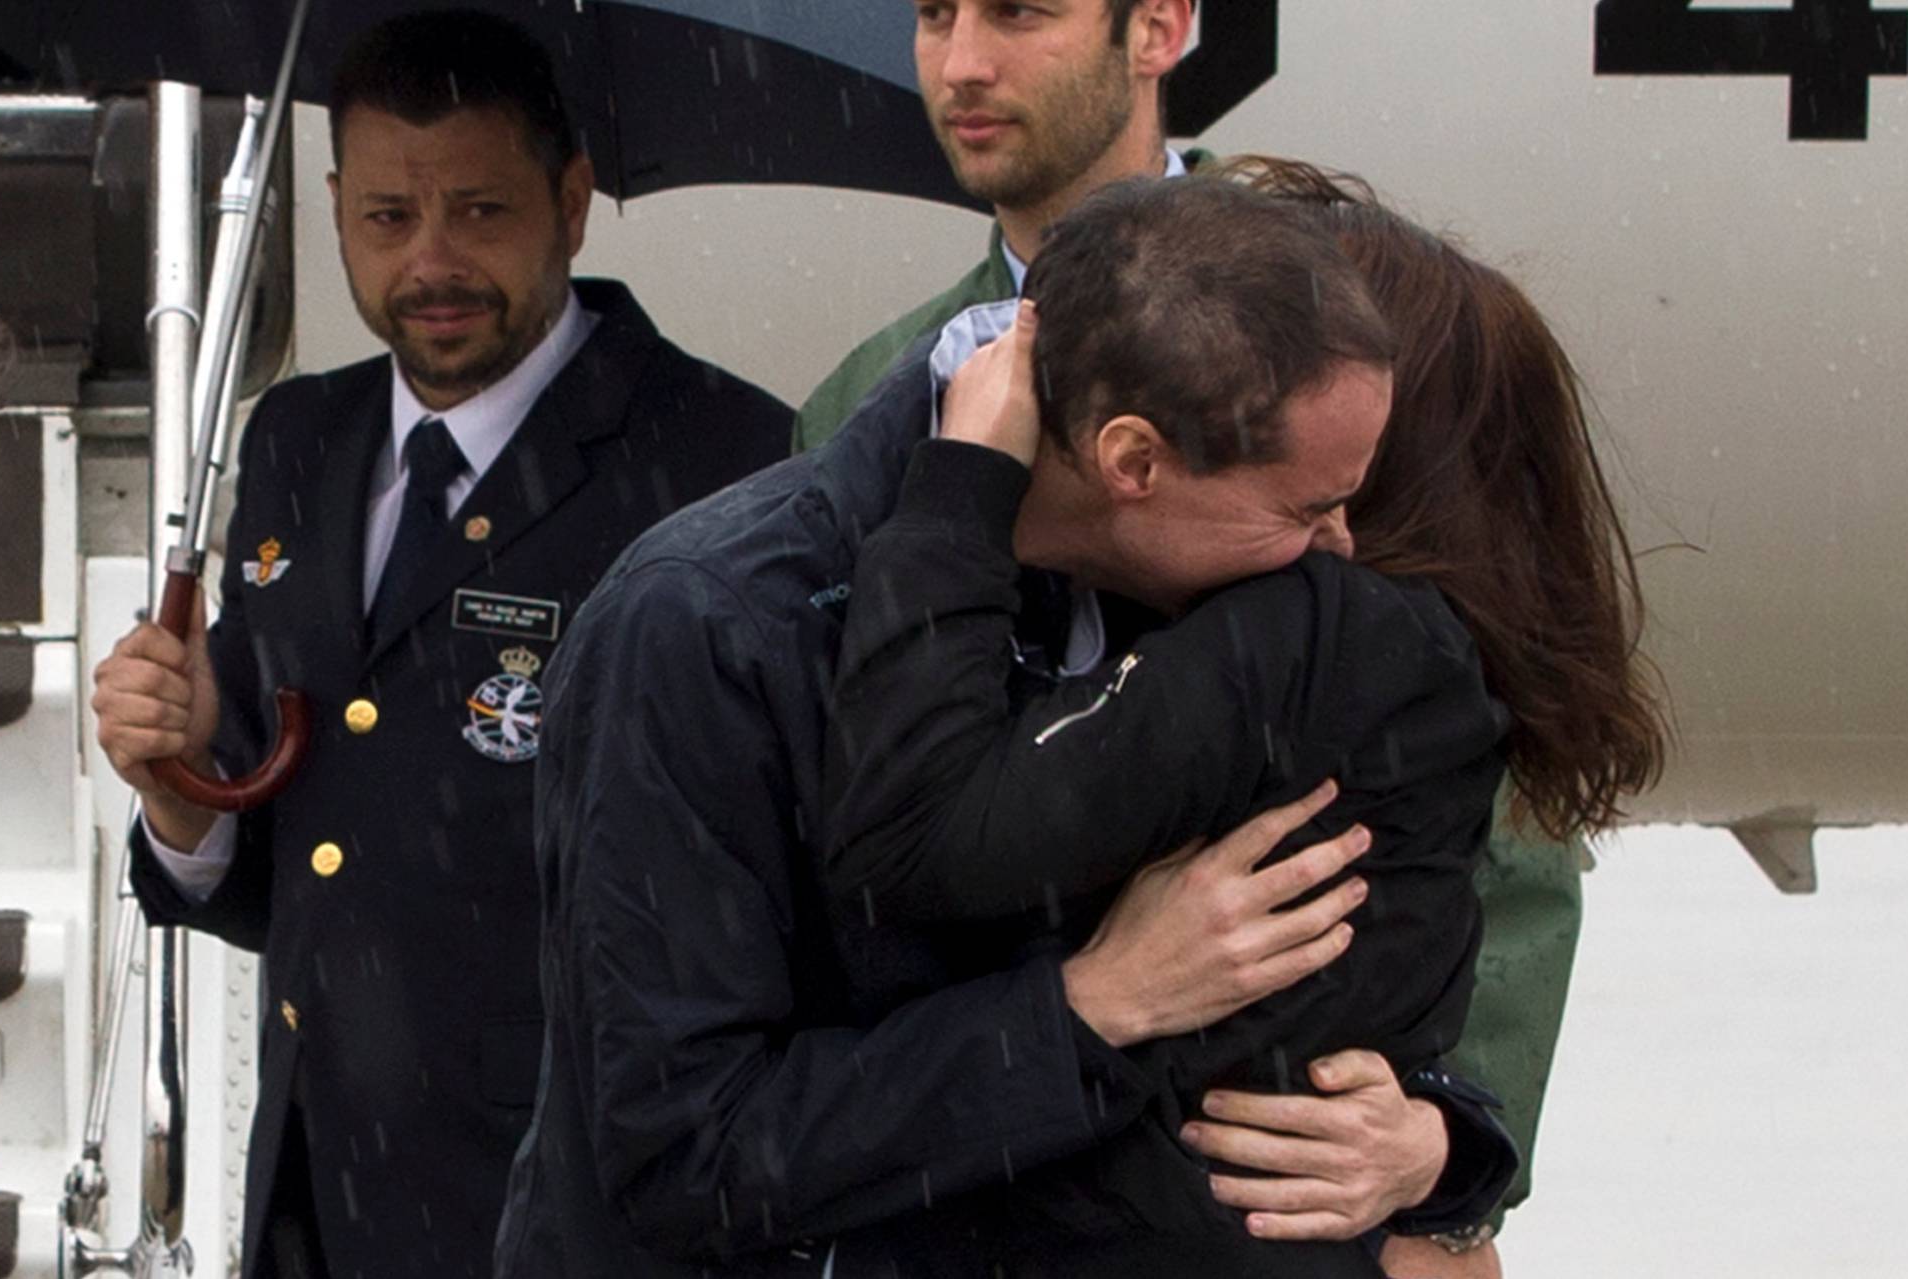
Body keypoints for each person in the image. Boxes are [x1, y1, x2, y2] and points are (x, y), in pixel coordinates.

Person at [498, 176, 1516, 1278]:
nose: (1338, 548)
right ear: (1132, 462)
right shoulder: (704, 628)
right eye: (1303, 509)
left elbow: (1320, 970)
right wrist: (1093, 1006)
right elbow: (684, 1156)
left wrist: (1433, 1146)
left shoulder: (1190, 584)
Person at [795, 1, 1590, 1263]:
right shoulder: (881, 389)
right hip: (983, 1160)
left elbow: (1486, 833)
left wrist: (1445, 1165)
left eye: (1019, 10)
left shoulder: (1336, 317)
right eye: (933, 12)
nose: (964, 61)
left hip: (1213, 1185)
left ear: (1158, 25)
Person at [86, 13, 791, 1279]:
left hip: (568, 1203)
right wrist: (177, 787)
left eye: (479, 211)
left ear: (572, 203)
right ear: (339, 207)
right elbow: (294, 860)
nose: (433, 263)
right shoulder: (299, 440)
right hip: (315, 1188)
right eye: (388, 218)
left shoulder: (721, 457)